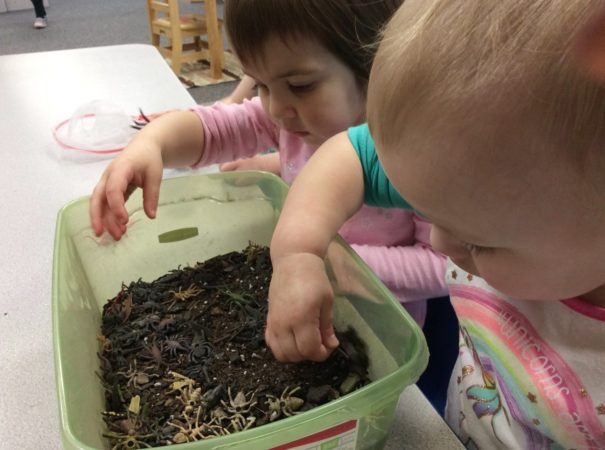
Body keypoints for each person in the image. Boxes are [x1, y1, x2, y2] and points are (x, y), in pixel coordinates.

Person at [265, 0, 605, 448]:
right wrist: (298, 254)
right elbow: (347, 157)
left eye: (479, 243)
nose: (440, 241)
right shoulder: (480, 184)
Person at [89, 0, 448, 327]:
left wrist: (335, 261)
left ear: (378, 65)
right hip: (294, 296)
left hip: (380, 324)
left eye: (301, 85)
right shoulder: (289, 121)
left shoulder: (413, 156)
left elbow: (446, 266)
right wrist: (152, 143)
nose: (275, 109)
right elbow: (215, 128)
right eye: (260, 85)